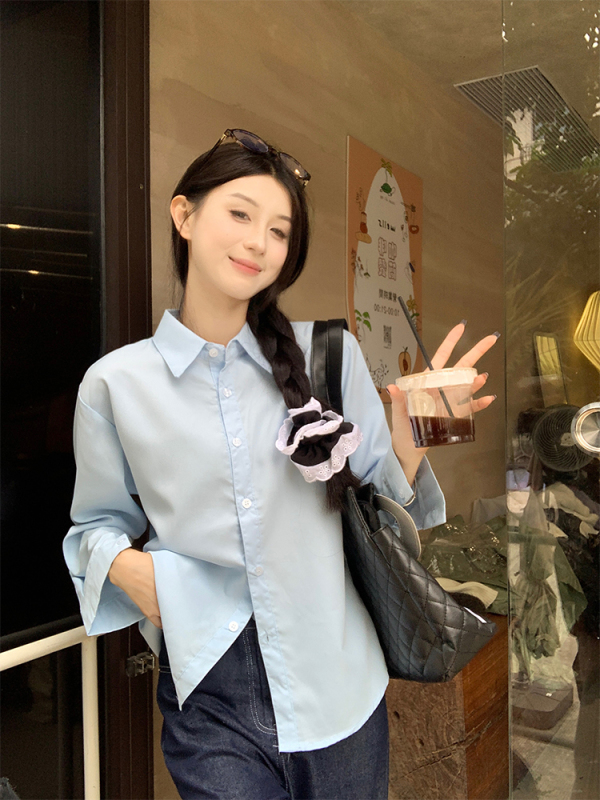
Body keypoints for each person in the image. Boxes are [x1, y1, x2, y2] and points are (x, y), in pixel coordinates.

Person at [63, 129, 498, 799]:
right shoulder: (113, 385)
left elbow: (385, 510)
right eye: (240, 214)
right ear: (184, 215)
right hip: (210, 691)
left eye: (278, 230)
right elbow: (94, 525)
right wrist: (130, 571)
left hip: (338, 682)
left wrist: (412, 434)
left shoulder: (329, 357)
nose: (257, 242)